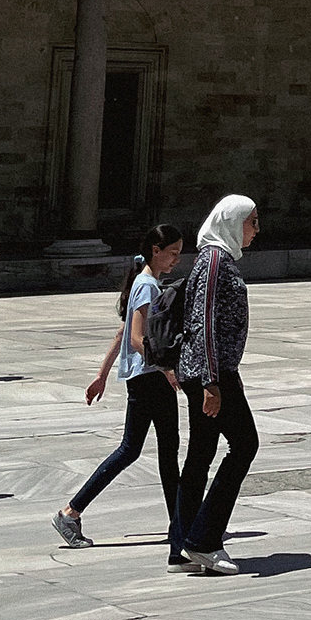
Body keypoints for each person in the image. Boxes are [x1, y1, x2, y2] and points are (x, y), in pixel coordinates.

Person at [52, 224, 185, 554]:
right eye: (172, 253)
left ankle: (178, 522)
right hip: (150, 378)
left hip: (144, 378)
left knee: (143, 450)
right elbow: (138, 339)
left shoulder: (144, 283)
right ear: (156, 250)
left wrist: (102, 374)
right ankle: (179, 524)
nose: (176, 261)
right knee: (159, 451)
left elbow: (122, 333)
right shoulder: (147, 286)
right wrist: (168, 370)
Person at [173, 193, 260, 575]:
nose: (256, 230)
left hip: (211, 372)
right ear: (232, 221)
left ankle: (182, 547)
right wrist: (211, 381)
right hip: (213, 374)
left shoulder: (218, 258)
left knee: (200, 456)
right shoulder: (213, 260)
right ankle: (204, 540)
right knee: (244, 444)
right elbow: (203, 322)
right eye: (252, 221)